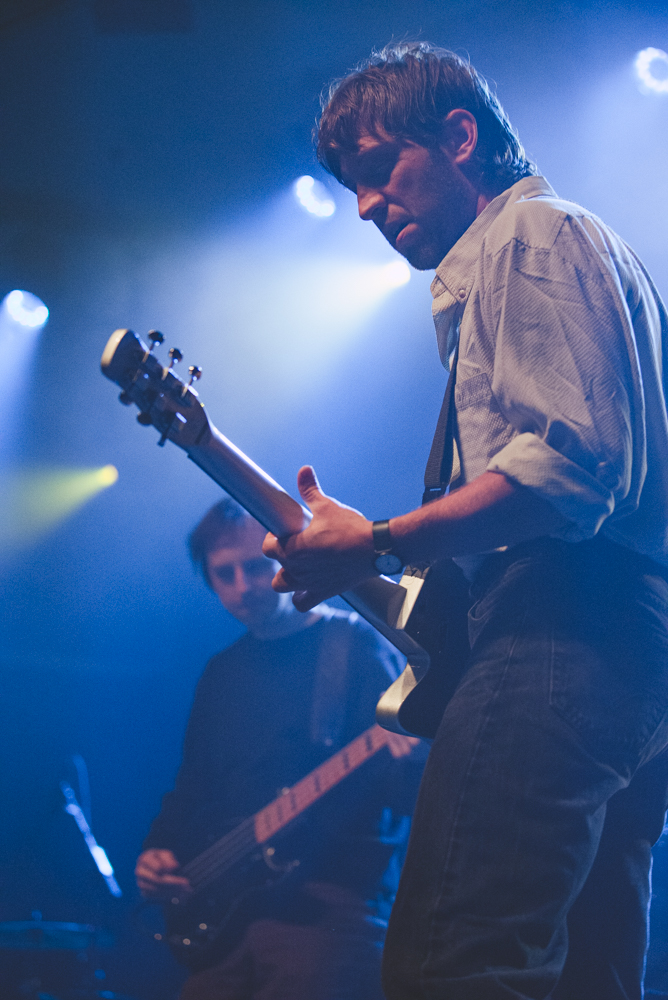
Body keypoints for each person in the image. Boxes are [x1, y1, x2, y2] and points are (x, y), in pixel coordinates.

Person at [262, 42, 668, 1000]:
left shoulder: (533, 239)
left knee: (456, 960)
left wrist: (377, 542)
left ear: (458, 137)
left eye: (377, 170)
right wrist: (383, 553)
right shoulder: (570, 248)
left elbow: (567, 471)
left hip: (563, 630)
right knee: (583, 971)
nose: (364, 205)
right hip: (627, 652)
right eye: (350, 185)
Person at [135, 497, 423, 1000]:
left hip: (329, 909)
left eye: (254, 566)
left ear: (288, 560)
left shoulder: (353, 645)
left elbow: (399, 795)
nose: (243, 587)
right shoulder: (220, 672)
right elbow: (194, 785)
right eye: (224, 575)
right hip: (226, 920)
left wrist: (411, 758)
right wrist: (159, 849)